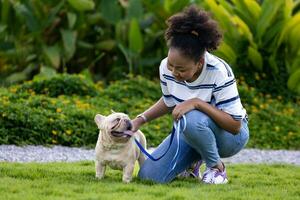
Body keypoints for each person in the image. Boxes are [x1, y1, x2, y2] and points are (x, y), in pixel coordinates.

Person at [131, 5, 249, 184]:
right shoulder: (166, 67)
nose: (173, 72)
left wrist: (197, 103)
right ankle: (193, 163)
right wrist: (139, 121)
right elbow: (169, 100)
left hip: (230, 137)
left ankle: (216, 169)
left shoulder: (218, 71)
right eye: (171, 65)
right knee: (149, 176)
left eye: (181, 69)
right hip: (191, 131)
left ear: (199, 63)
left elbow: (235, 125)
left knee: (192, 116)